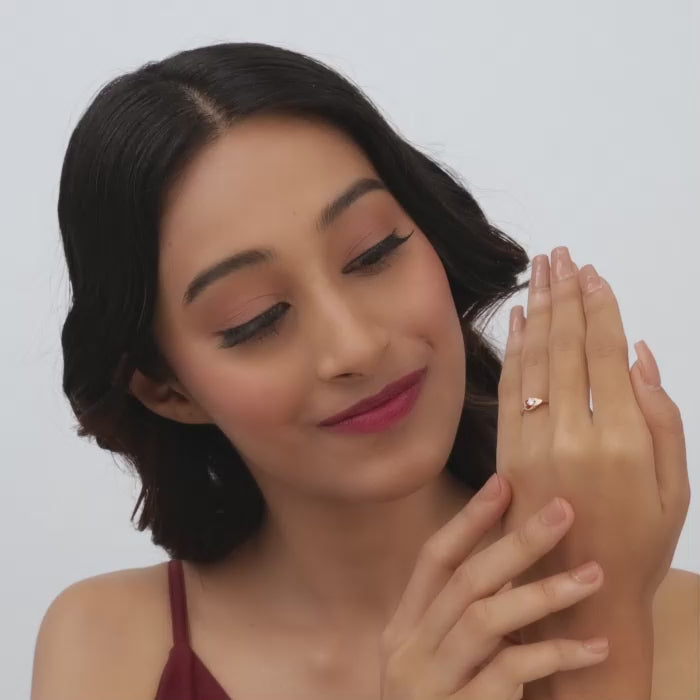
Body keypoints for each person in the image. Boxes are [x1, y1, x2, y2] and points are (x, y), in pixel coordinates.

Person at [31, 42, 698, 700]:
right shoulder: (105, 648)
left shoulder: (676, 626)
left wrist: (595, 639)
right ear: (167, 389)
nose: (354, 347)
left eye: (373, 253)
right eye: (255, 320)